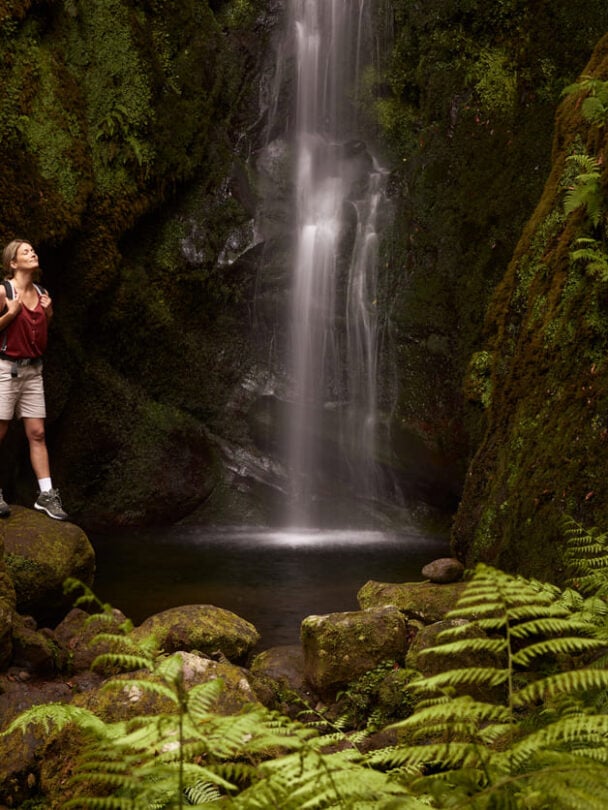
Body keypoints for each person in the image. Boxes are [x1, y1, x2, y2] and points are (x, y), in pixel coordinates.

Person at [0, 239, 68, 520]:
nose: (33, 253)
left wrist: (48, 313)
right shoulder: (4, 291)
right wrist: (10, 314)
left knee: (37, 433)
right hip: (5, 370)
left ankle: (46, 495)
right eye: (25, 252)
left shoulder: (42, 293)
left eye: (33, 250)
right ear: (13, 263)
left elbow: (38, 328)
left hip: (33, 372)